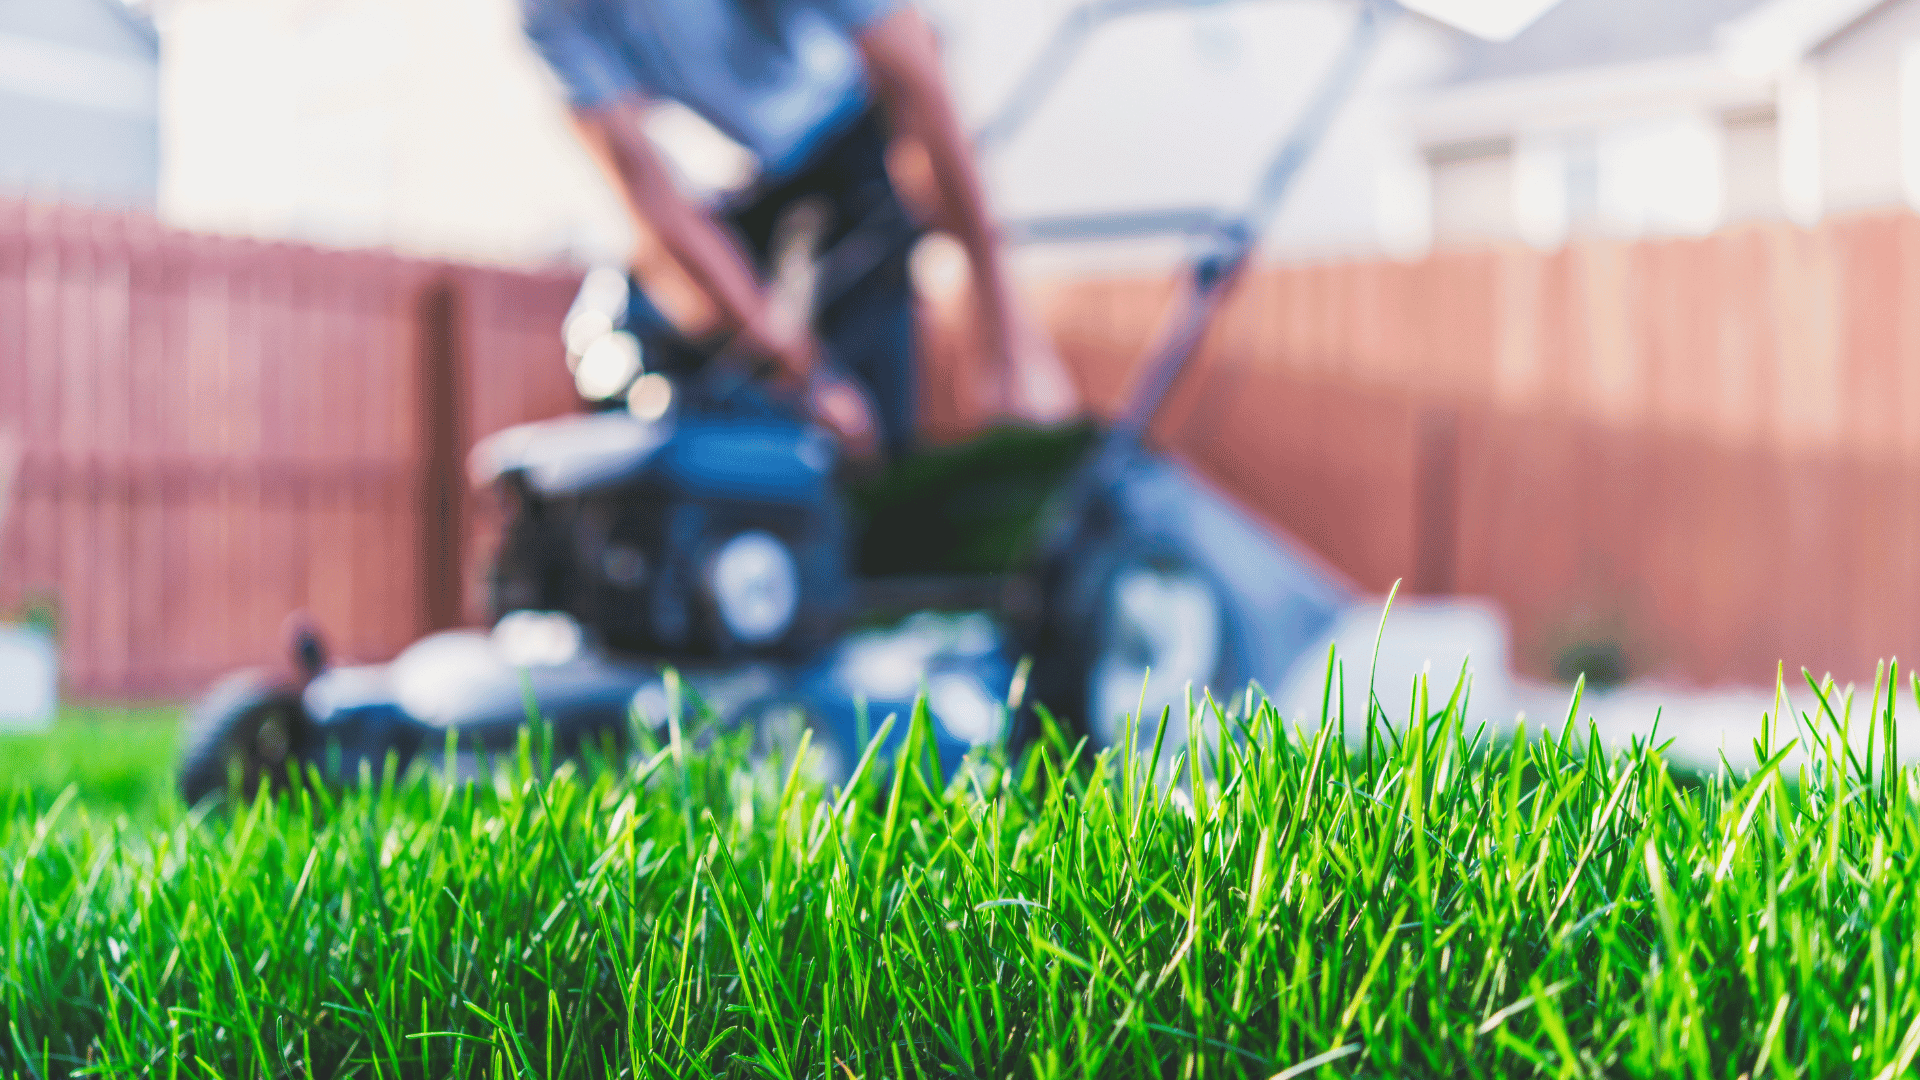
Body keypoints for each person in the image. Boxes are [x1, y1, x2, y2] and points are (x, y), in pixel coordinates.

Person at [521, 0, 1075, 462]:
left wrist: (1008, 340)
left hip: (853, 137)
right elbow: (652, 200)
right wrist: (803, 376)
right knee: (644, 350)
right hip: (744, 184)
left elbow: (917, 83)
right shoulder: (553, 13)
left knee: (873, 405)